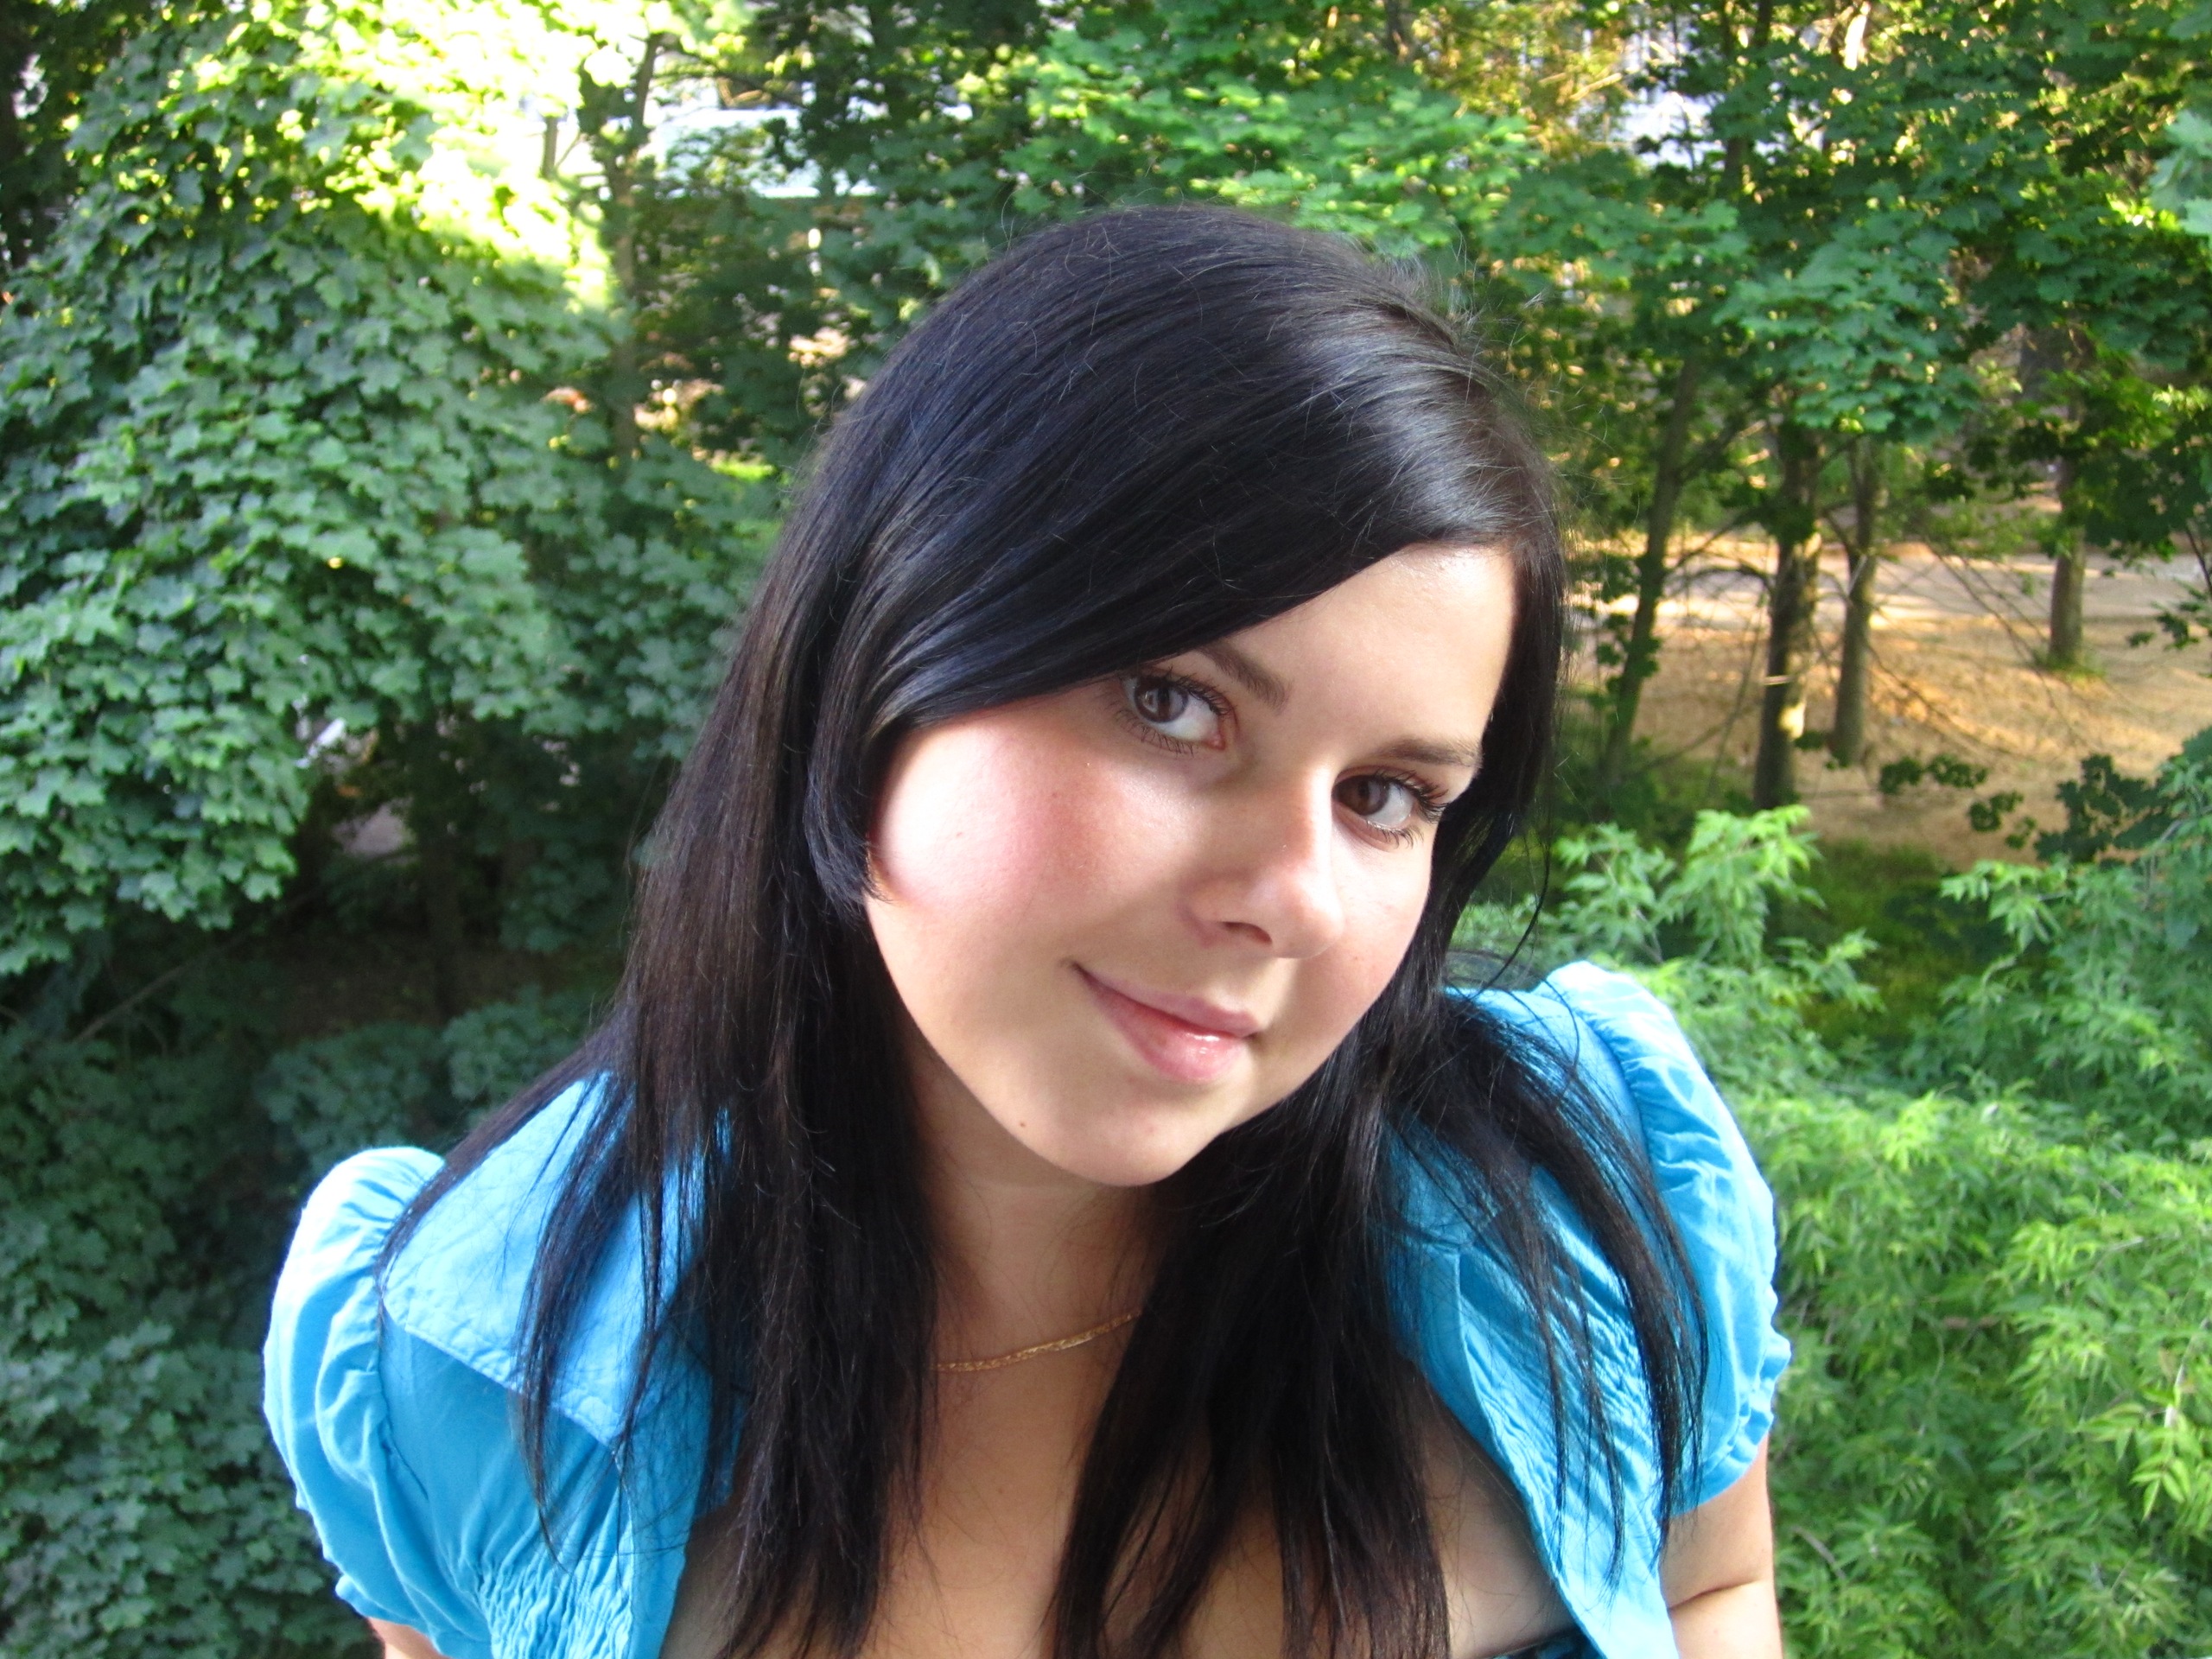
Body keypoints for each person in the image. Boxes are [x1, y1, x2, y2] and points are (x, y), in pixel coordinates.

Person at [263, 206, 1789, 1659]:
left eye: (1385, 796)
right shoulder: (475, 1365)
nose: (1295, 897)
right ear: (877, 657)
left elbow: (1713, 1581)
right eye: (1174, 704)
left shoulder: (1586, 1200)